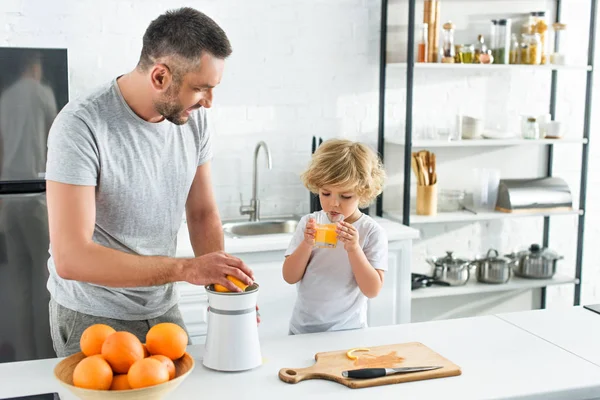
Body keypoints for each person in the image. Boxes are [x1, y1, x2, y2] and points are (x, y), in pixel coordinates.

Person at [45, 7, 254, 357]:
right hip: (93, 314)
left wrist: (225, 286)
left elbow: (202, 213)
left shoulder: (192, 121)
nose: (209, 103)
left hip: (161, 309)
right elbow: (71, 257)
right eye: (200, 88)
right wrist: (187, 269)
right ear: (160, 77)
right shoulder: (81, 126)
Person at [282, 139, 388, 335]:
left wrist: (355, 249)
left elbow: (372, 290)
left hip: (348, 331)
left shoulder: (370, 232)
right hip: (302, 330)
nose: (334, 203)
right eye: (326, 193)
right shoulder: (309, 223)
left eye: (345, 196)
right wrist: (306, 244)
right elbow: (289, 276)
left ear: (363, 193)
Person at [0, 50, 57, 362]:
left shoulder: (5, 98)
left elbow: (0, 147)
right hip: (37, 197)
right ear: (35, 67)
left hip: (7, 197)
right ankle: (47, 356)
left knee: (19, 282)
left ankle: (23, 357)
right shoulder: (43, 93)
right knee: (45, 280)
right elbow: (56, 140)